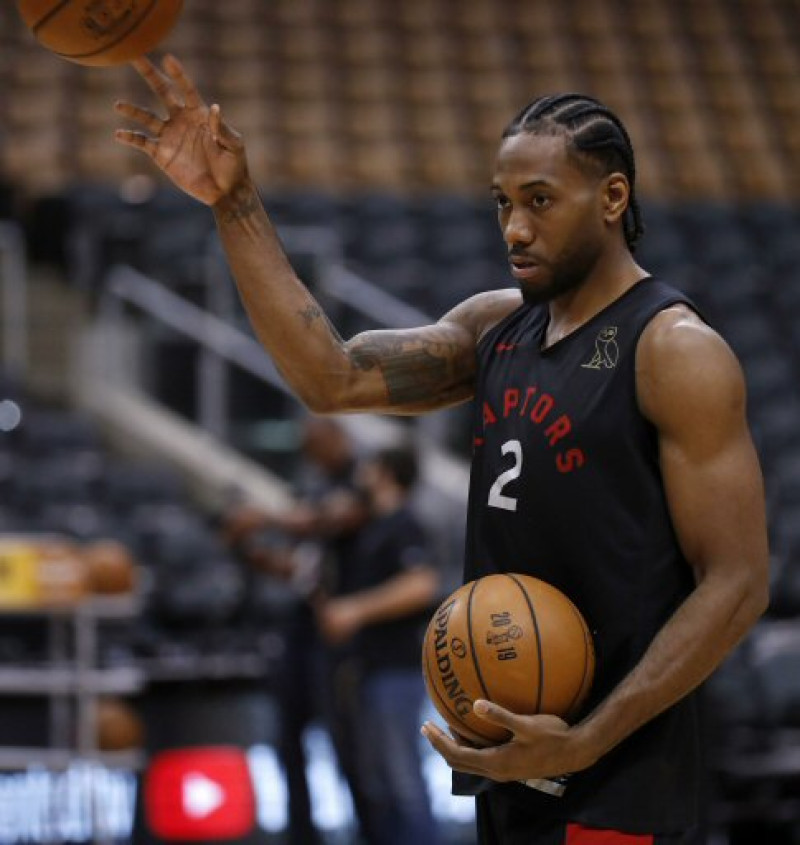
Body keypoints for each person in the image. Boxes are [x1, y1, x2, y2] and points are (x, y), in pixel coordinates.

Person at [114, 61, 770, 845]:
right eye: (502, 204)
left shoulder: (675, 350)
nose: (515, 230)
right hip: (502, 757)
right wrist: (235, 203)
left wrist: (587, 738)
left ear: (613, 198)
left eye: (539, 202)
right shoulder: (498, 328)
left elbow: (737, 582)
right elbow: (333, 376)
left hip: (620, 776)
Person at [224, 415, 369, 845]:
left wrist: (263, 518)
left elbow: (333, 518)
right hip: (304, 625)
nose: (310, 452)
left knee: (349, 747)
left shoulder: (362, 477)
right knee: (288, 739)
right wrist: (254, 554)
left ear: (338, 438)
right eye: (306, 445)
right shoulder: (313, 484)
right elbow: (301, 565)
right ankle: (302, 835)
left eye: (316, 442)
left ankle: (369, 831)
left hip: (347, 633)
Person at [316, 445, 442, 845]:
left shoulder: (404, 523)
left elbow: (421, 585)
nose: (362, 470)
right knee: (379, 783)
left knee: (402, 778)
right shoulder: (372, 525)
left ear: (386, 472)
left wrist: (354, 610)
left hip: (397, 669)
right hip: (368, 668)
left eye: (370, 464)